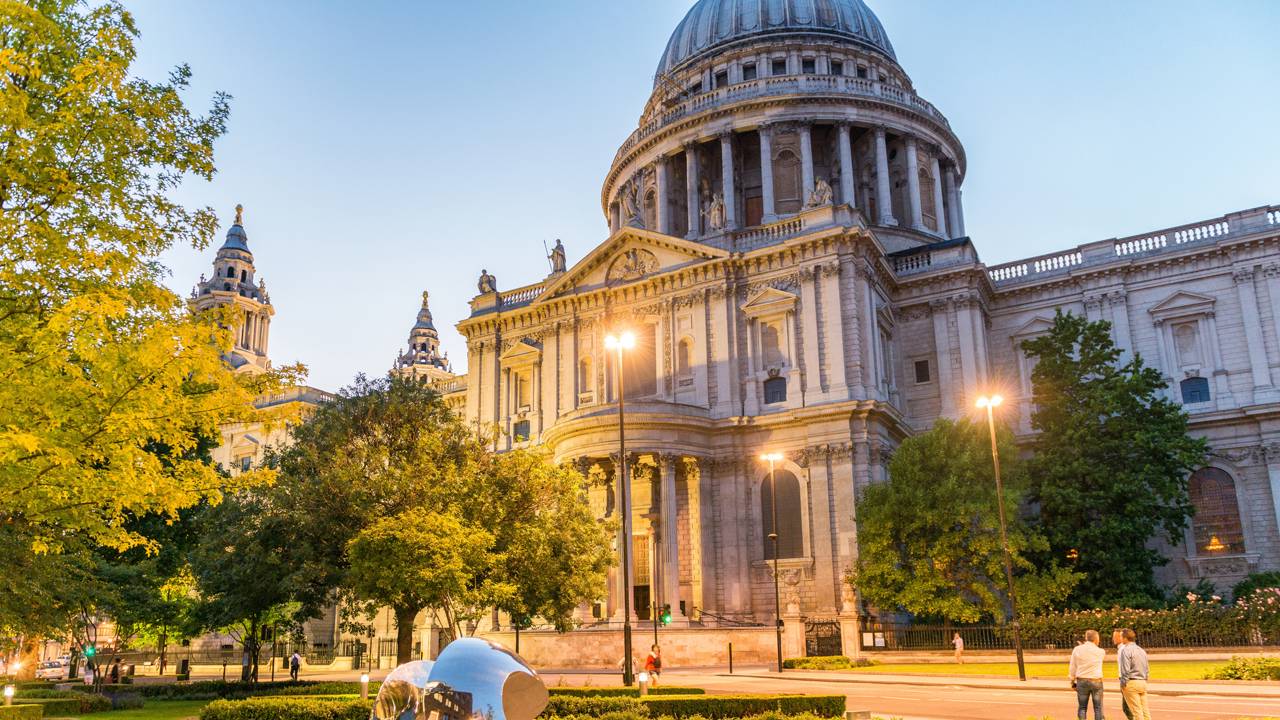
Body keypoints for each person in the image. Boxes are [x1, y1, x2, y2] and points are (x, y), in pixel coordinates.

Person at [1069, 630, 1106, 720]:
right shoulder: (1101, 651)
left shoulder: (1077, 649)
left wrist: (1072, 681)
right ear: (1096, 639)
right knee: (1098, 708)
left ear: (1086, 638)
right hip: (1096, 680)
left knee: (1082, 707)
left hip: (1082, 680)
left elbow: (1073, 666)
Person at [1116, 628, 1151, 720]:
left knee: (1136, 712)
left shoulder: (1125, 650)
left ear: (1125, 638)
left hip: (1131, 682)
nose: (1120, 638)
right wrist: (1145, 679)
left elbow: (1125, 669)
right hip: (1142, 682)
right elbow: (1147, 668)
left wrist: (1123, 683)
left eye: (1121, 636)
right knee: (1145, 710)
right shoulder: (1141, 650)